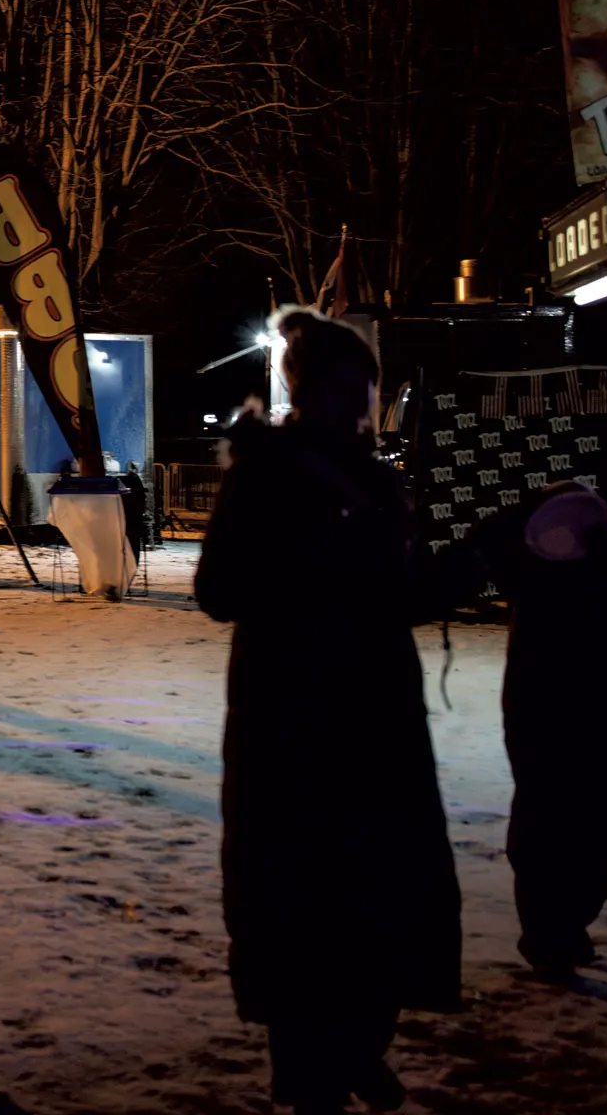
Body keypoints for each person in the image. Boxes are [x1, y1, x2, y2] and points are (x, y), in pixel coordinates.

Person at [196, 309, 460, 1114]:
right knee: (312, 896)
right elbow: (220, 591)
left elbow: (398, 594)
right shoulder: (274, 474)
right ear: (346, 389)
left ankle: (351, 1043)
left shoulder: (368, 479)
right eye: (364, 386)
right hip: (303, 727)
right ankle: (320, 1062)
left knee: (359, 892)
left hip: (351, 722)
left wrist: (467, 565)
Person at [474, 481, 607, 980]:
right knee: (560, 825)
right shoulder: (527, 555)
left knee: (584, 826)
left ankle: (557, 930)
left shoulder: (589, 555)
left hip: (575, 710)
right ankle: (551, 935)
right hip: (558, 709)